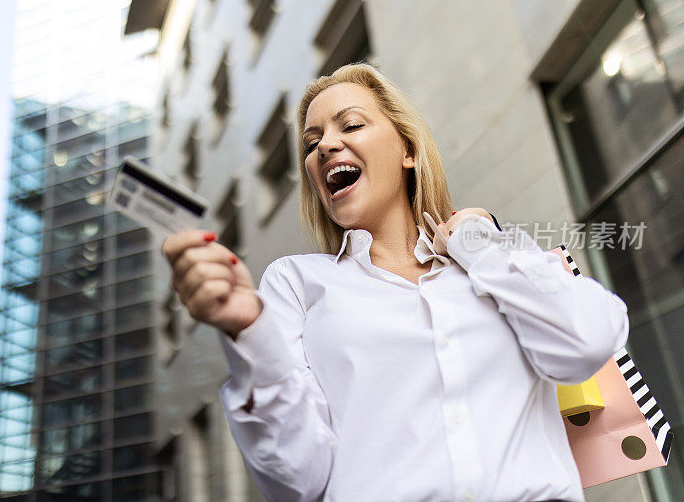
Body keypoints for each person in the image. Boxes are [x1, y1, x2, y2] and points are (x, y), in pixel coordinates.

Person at [162, 64, 629, 502]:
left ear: (407, 149)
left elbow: (586, 344)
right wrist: (249, 334)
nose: (324, 146)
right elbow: (296, 479)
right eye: (311, 142)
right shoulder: (297, 283)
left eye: (350, 125)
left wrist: (480, 243)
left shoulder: (492, 261)